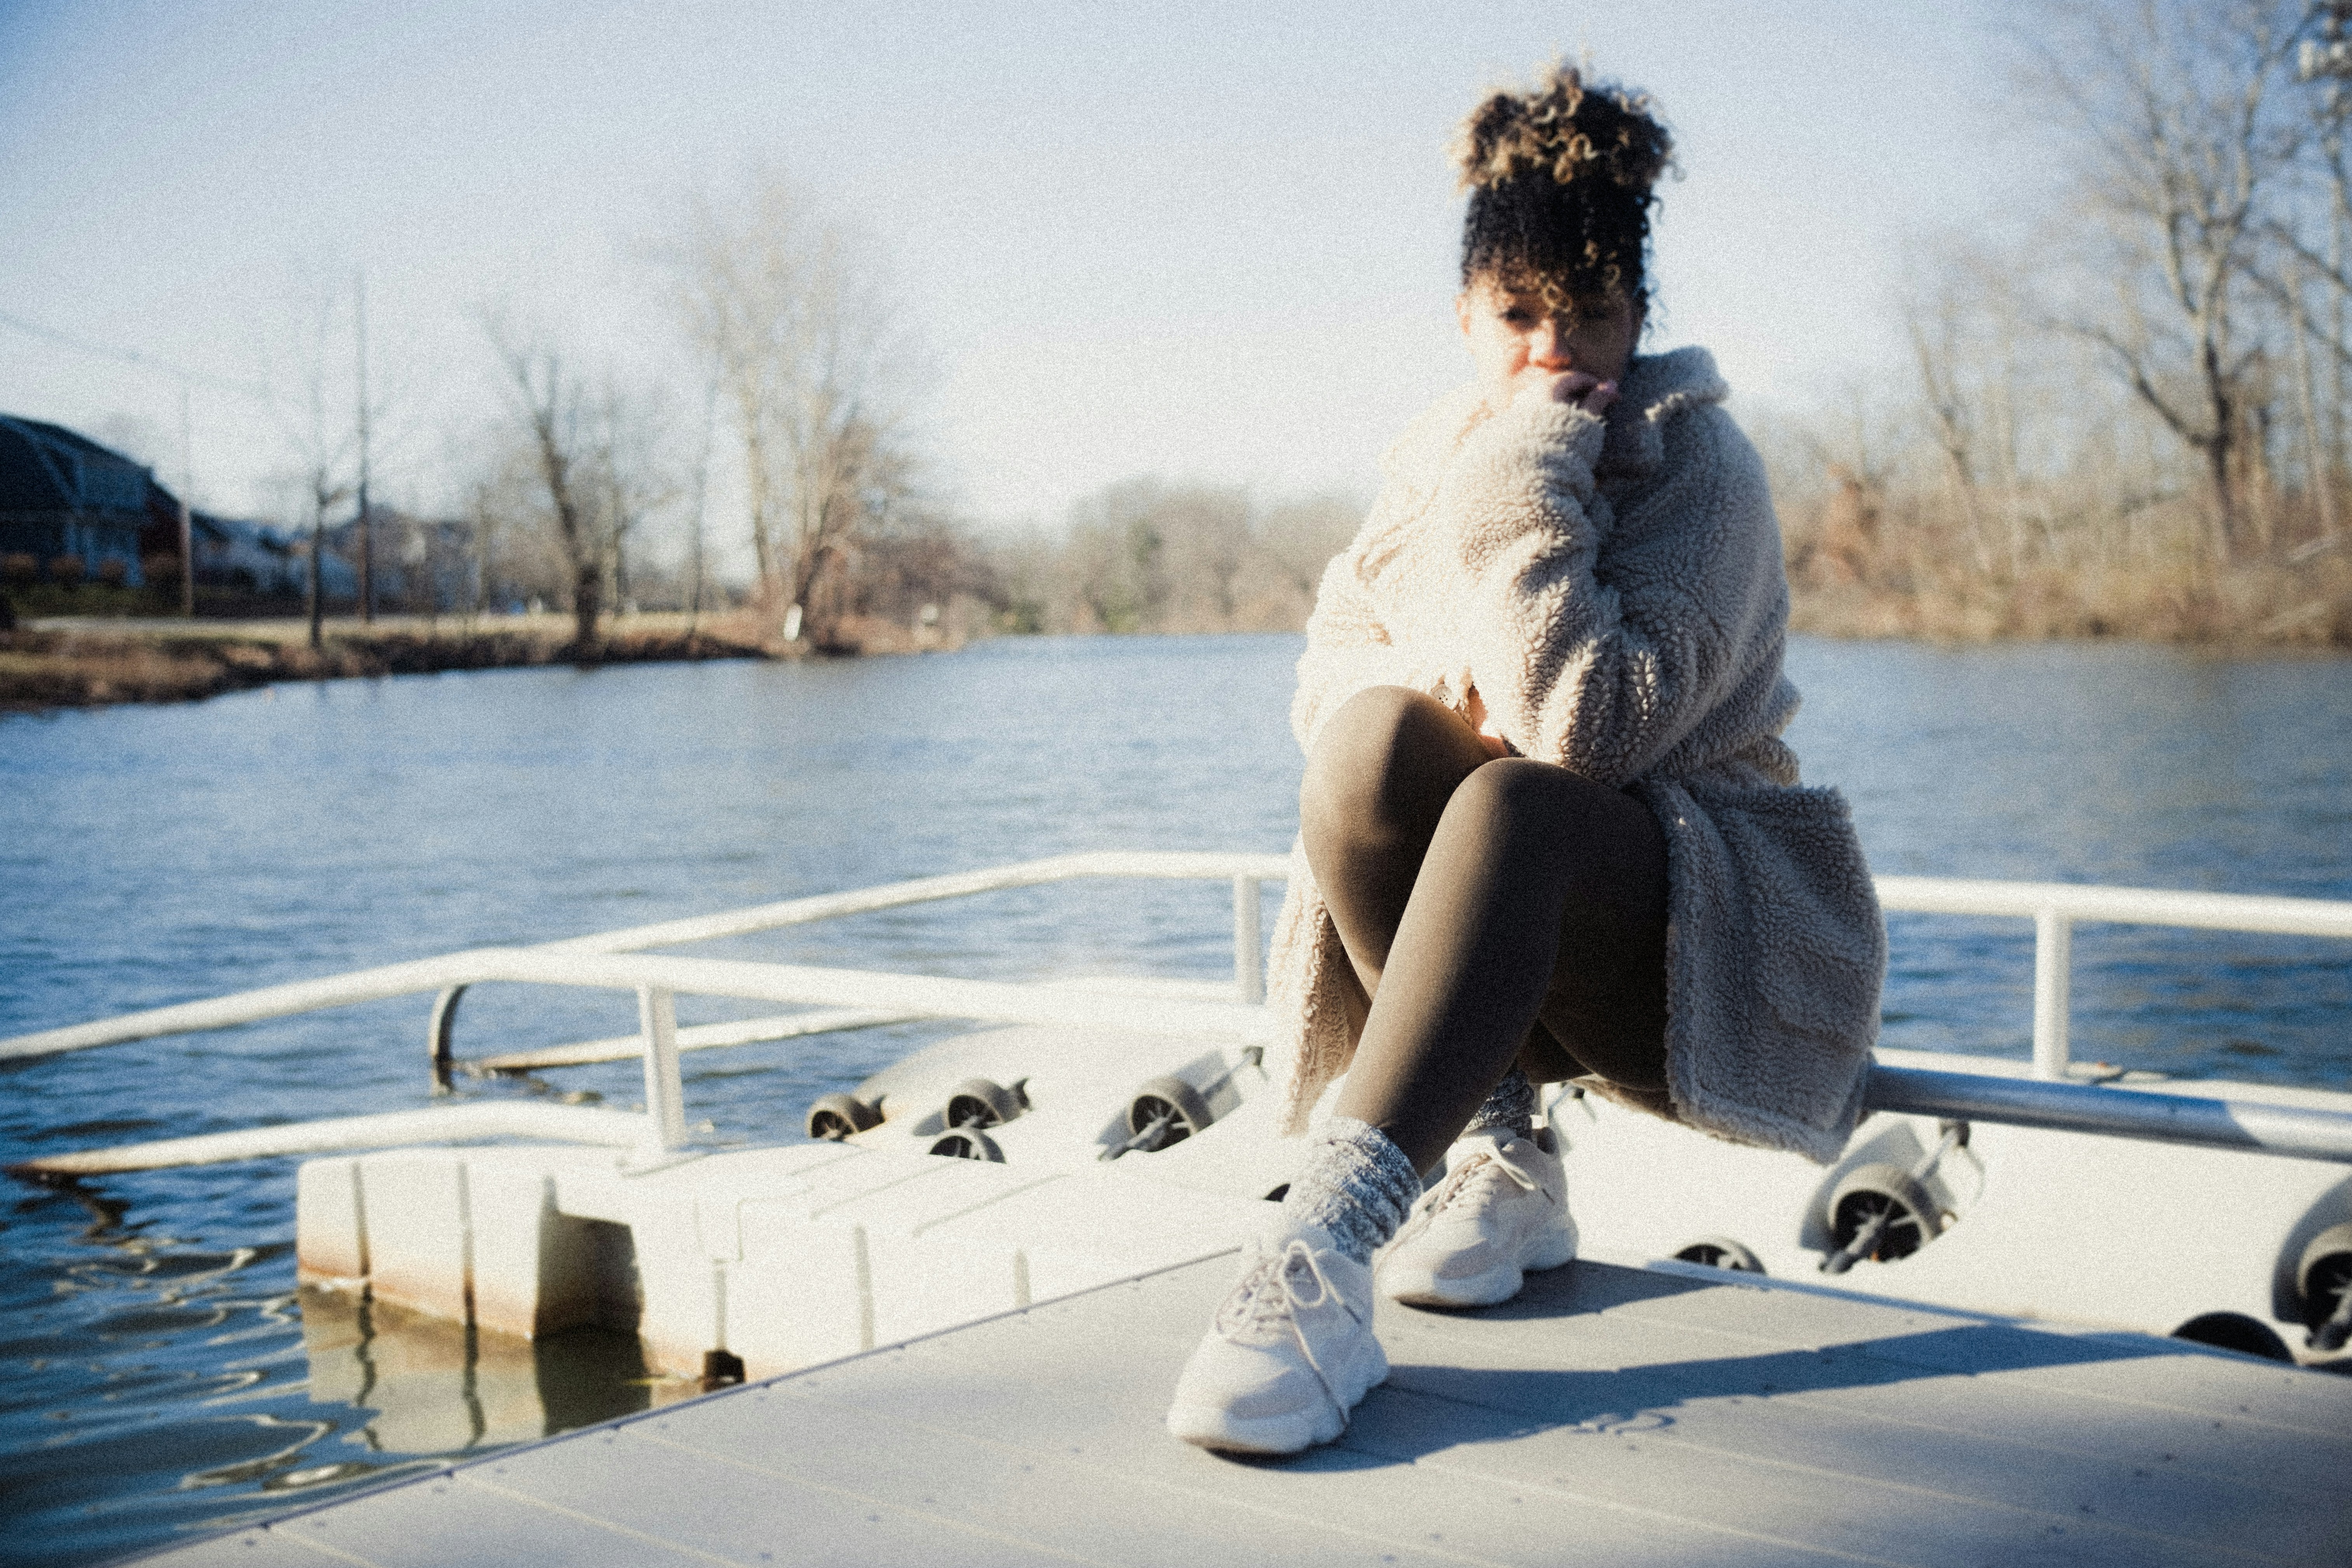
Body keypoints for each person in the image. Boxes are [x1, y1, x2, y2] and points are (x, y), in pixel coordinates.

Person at [1165, 62, 1887, 1456]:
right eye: (1517, 319)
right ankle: (1501, 1150)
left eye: (1594, 317)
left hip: (1702, 932)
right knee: (1373, 748)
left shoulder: (1699, 469)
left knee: (1517, 803)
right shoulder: (1430, 455)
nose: (1558, 357)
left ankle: (1323, 1249)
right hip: (1512, 934)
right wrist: (1429, 678)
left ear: (1640, 315)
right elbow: (1329, 668)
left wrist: (1525, 474)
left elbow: (1590, 733)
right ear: (1463, 318)